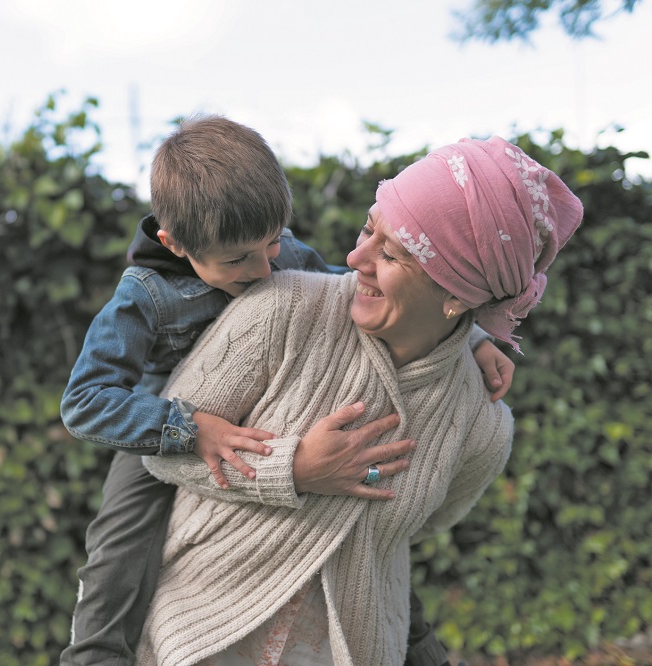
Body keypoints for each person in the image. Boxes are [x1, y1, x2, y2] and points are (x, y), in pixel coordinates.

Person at [59, 117, 514, 666]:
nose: (262, 270)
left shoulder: (281, 259)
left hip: (271, 407)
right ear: (173, 243)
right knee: (119, 544)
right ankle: (93, 656)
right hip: (165, 418)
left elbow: (354, 290)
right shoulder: (143, 297)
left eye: (272, 244)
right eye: (236, 260)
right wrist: (184, 427)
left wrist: (477, 336)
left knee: (366, 545)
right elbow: (86, 402)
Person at [138, 136, 583, 666]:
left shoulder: (483, 425)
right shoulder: (282, 309)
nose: (355, 258)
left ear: (456, 296)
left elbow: (429, 523)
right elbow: (159, 449)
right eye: (370, 229)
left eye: (390, 253)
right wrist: (293, 468)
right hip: (200, 636)